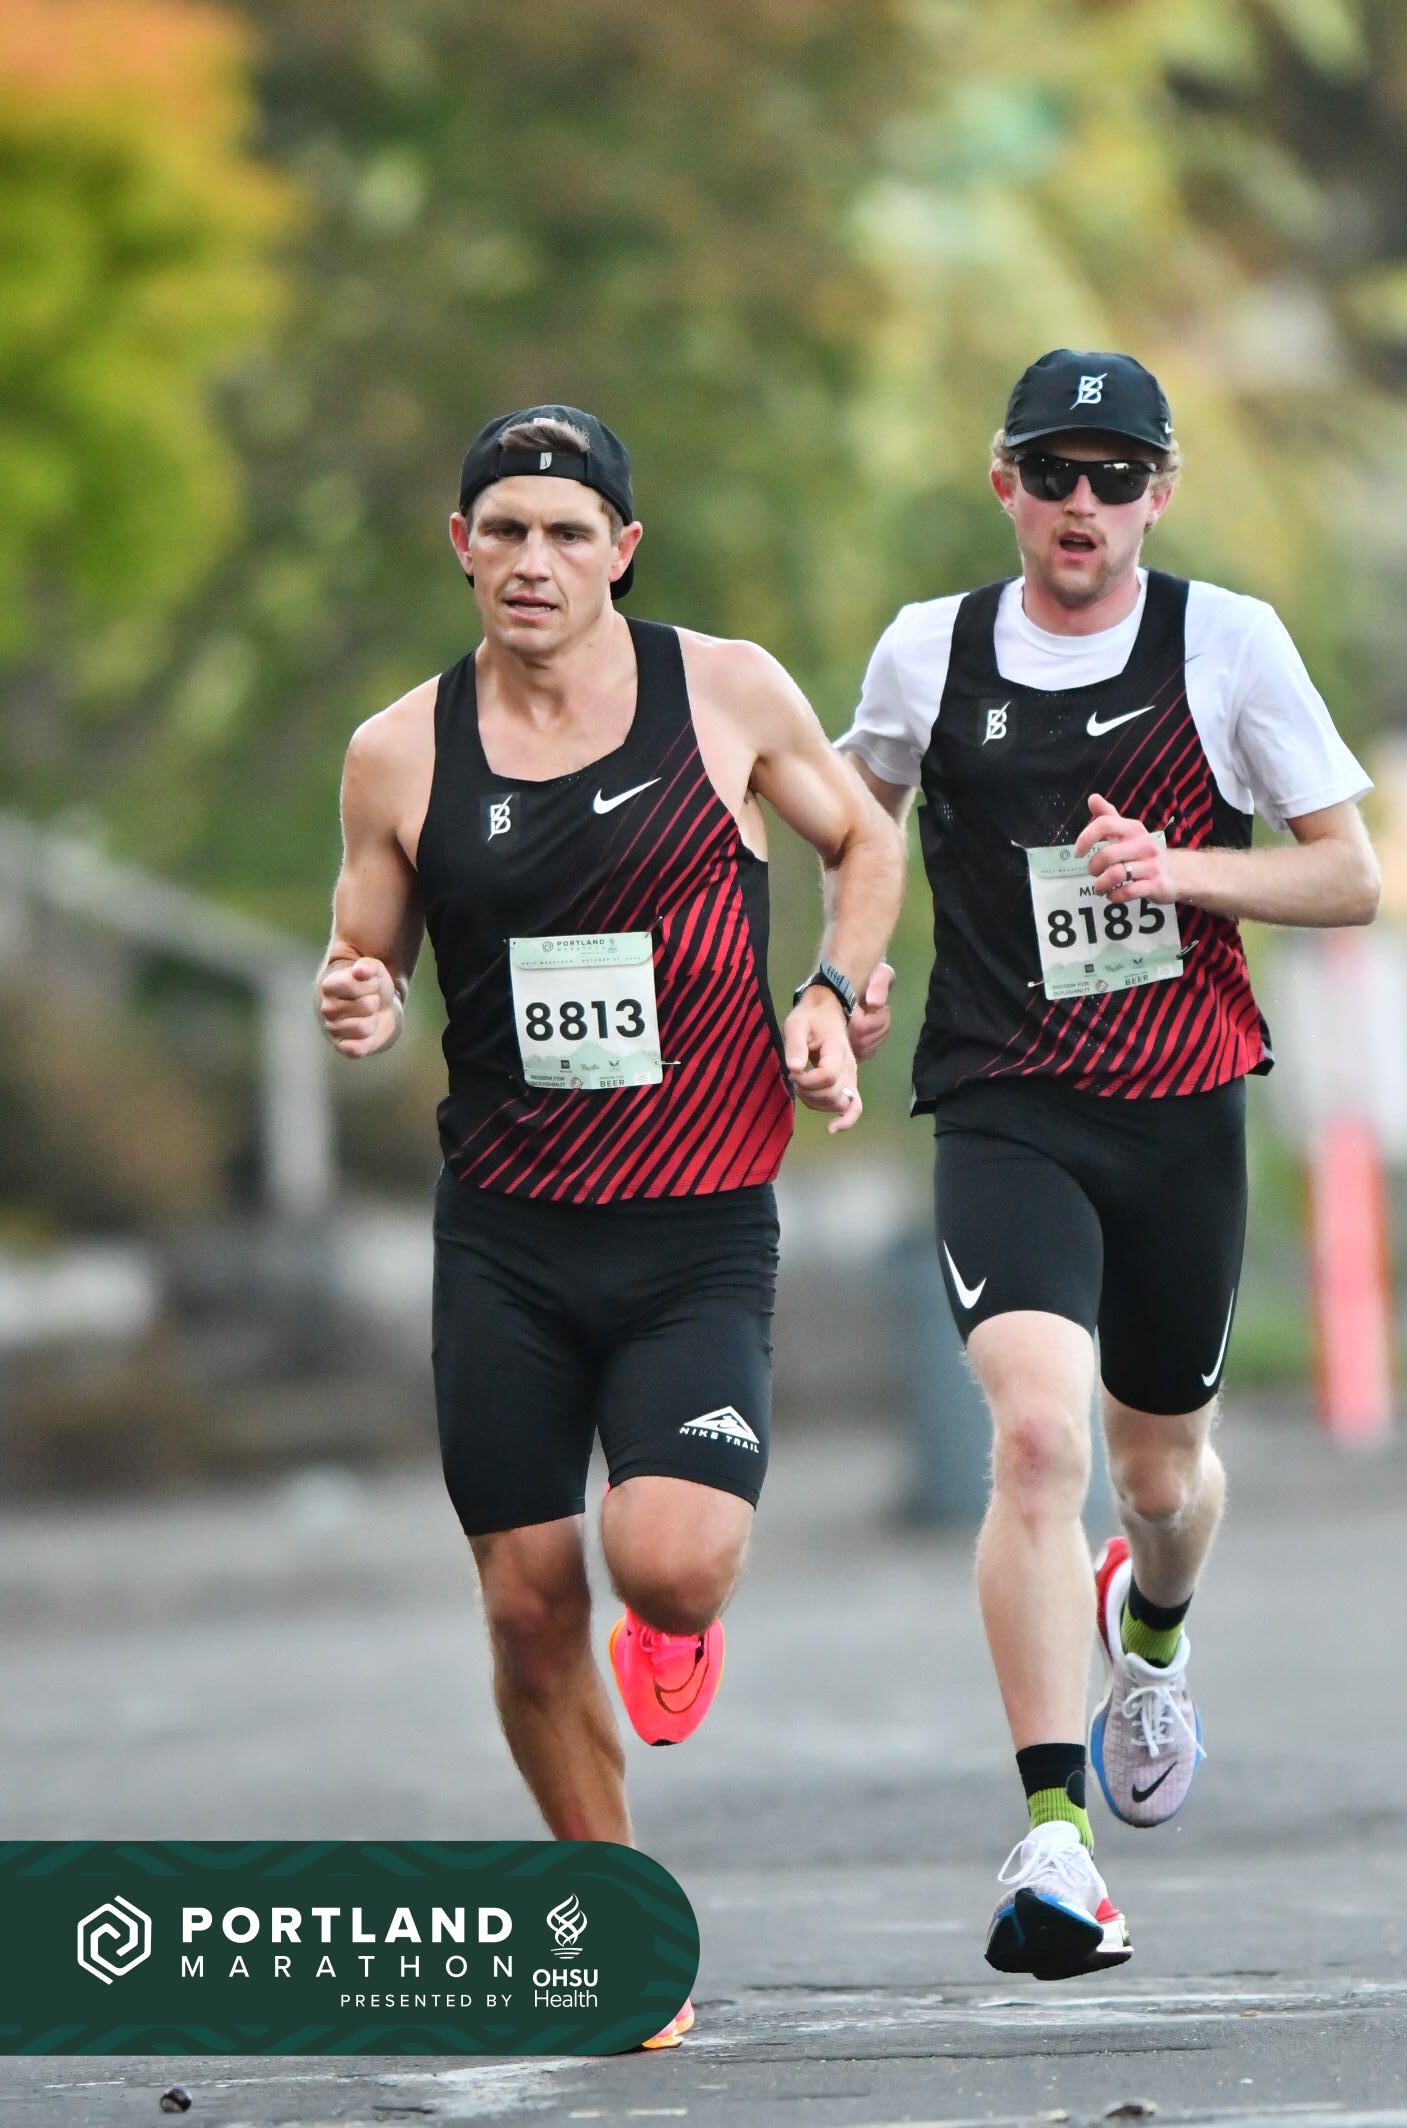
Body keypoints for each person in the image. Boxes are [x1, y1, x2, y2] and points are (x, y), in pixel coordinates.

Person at [316, 405, 903, 2046]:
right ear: (461, 546)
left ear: (621, 552)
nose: (534, 559)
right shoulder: (397, 751)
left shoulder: (724, 690)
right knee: (524, 1608)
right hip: (505, 1235)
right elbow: (364, 952)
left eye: (568, 532)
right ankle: (624, 1931)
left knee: (670, 1562)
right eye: (504, 528)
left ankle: (676, 1626)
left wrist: (832, 990)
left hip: (694, 1226)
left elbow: (863, 837)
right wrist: (354, 997)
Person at [839, 350, 1379, 1981]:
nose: (1085, 503)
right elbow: (856, 821)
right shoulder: (928, 651)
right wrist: (843, 971)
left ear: (1160, 493)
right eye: (1056, 472)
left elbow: (1349, 876)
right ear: (1004, 482)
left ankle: (1151, 1635)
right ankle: (1053, 1837)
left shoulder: (1227, 642)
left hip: (1178, 1111)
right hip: (1006, 1098)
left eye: (1117, 476)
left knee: (1157, 1481)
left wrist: (1183, 871)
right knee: (1031, 1439)